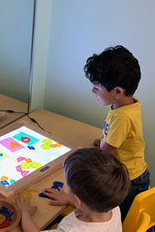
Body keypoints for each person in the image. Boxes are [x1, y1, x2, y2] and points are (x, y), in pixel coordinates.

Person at [84, 45, 150, 220]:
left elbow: (107, 154)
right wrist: (105, 141)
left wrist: (97, 153)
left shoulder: (122, 116)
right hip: (133, 172)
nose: (93, 91)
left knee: (116, 219)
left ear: (118, 92)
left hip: (129, 180)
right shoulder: (127, 103)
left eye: (97, 88)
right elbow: (118, 137)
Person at [16, 148, 130, 232]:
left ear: (78, 200)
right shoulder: (113, 206)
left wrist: (25, 213)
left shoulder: (71, 230)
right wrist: (70, 200)